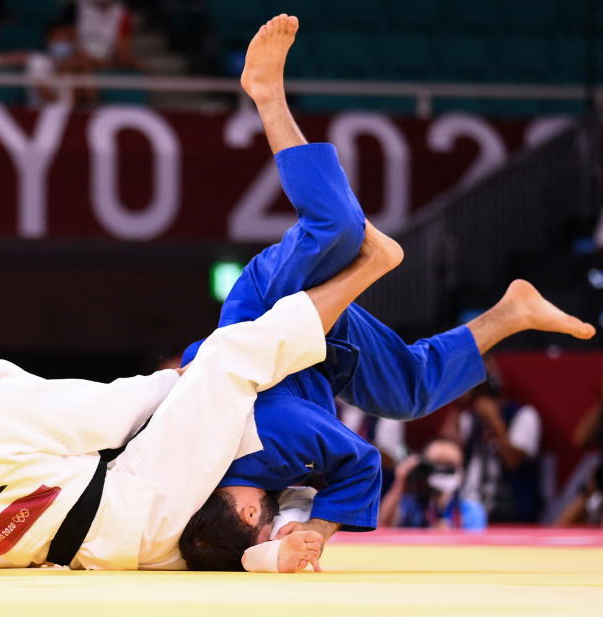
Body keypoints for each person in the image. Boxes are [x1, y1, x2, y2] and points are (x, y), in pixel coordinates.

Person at [176, 14, 596, 572]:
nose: (266, 524)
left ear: (253, 516)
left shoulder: (271, 442)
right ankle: (511, 311)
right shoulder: (198, 484)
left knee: (338, 229)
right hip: (317, 355)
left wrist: (321, 533)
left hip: (266, 313)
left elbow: (364, 464)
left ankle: (267, 96)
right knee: (409, 391)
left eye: (258, 523)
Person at [0, 219, 404, 570]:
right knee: (229, 358)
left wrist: (31, 556)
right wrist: (178, 382)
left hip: (105, 559)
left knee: (212, 529)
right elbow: (105, 417)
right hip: (137, 503)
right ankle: (371, 267)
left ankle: (265, 551)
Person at [442, 365, 544, 523]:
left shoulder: (523, 416)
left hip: (511, 510)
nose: (482, 403)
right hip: (469, 507)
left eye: (487, 394)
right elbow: (445, 448)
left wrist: (495, 423)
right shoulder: (471, 419)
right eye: (477, 396)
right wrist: (458, 404)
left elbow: (512, 462)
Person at [378, 439, 487, 530]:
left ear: (461, 473)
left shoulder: (471, 510)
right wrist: (400, 481)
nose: (442, 471)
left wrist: (453, 537)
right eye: (436, 465)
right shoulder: (412, 505)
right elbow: (383, 525)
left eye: (449, 466)